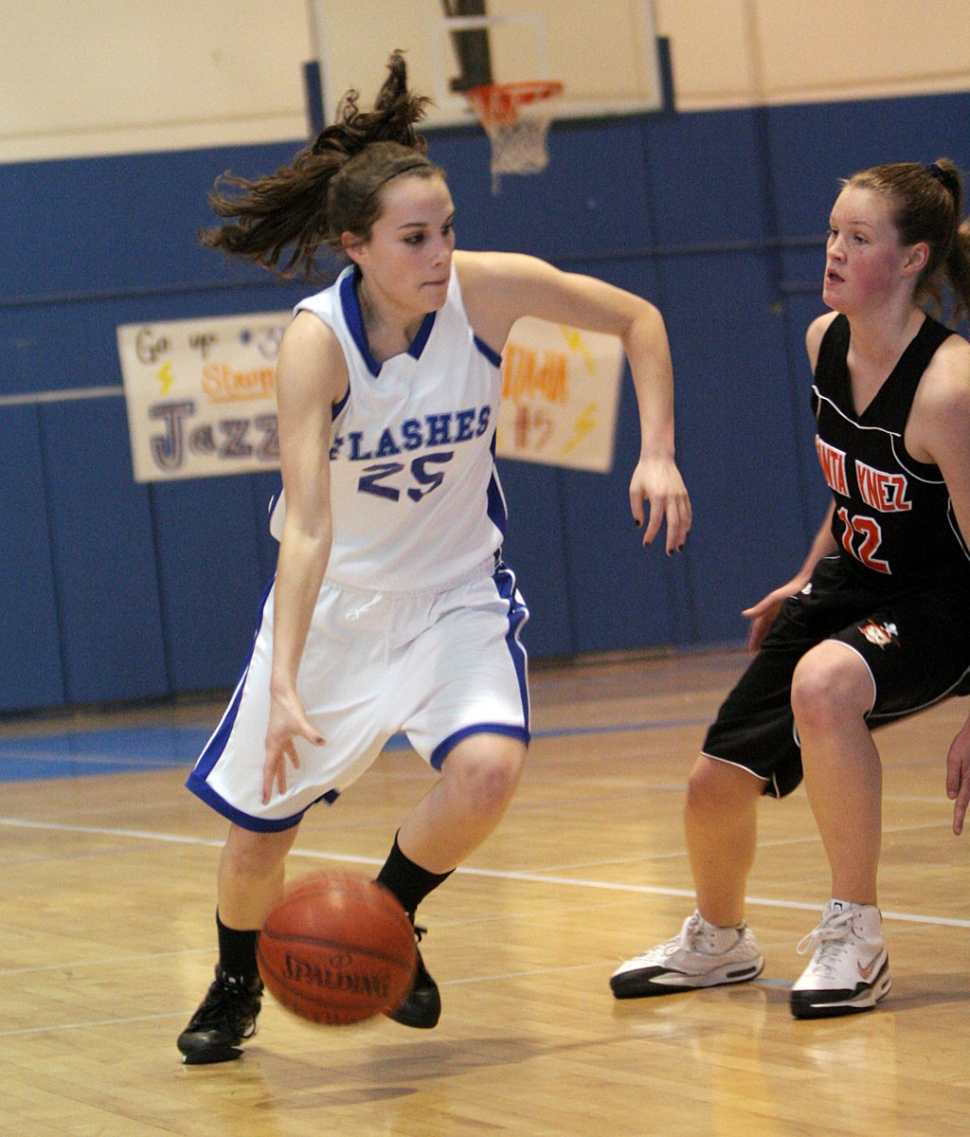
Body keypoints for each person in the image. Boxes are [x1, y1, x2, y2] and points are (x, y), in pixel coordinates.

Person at [176, 52, 692, 1064]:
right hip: (333, 608)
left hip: (454, 593)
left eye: (447, 229)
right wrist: (282, 681)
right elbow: (309, 528)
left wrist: (659, 452)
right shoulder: (314, 345)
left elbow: (640, 320)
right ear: (355, 246)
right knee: (258, 836)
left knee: (490, 770)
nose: (441, 253)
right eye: (415, 238)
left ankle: (389, 911)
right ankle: (235, 980)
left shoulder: (485, 296)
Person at [610, 157, 970, 1019]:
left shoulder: (951, 388)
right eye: (832, 232)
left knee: (824, 684)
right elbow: (855, 486)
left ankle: (858, 933)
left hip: (945, 601)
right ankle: (720, 938)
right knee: (714, 781)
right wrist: (813, 572)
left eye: (858, 237)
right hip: (855, 584)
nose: (834, 251)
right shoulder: (825, 341)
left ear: (914, 258)